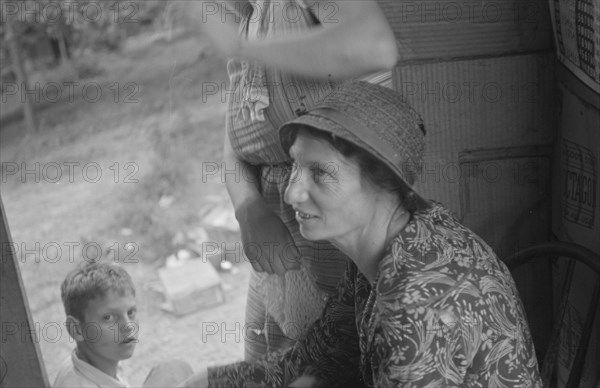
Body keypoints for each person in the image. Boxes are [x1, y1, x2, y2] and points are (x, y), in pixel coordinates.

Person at [182, 81, 542, 387]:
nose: (292, 193)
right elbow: (313, 359)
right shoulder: (384, 248)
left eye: (320, 174)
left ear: (384, 183)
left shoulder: (415, 307)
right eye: (295, 165)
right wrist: (203, 382)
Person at [174, 0, 401, 361]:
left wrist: (241, 46)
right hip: (275, 248)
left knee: (332, 364)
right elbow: (236, 130)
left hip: (334, 235)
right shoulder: (251, 12)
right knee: (269, 365)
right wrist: (248, 209)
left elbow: (372, 45)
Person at [54, 261, 192, 388]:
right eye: (108, 317)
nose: (128, 327)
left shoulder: (97, 361)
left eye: (131, 312)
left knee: (174, 369)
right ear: (76, 329)